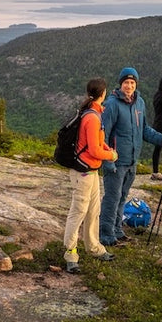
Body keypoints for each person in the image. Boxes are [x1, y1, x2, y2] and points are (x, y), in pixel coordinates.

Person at [99, 67, 162, 246]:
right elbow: (102, 135)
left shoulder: (139, 103)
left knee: (122, 196)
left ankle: (117, 230)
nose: (129, 86)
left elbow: (144, 131)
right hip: (116, 161)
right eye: (126, 82)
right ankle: (105, 235)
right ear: (120, 84)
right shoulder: (112, 104)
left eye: (132, 83)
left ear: (136, 84)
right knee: (112, 198)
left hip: (132, 161)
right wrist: (107, 161)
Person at [63, 77, 118, 274]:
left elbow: (96, 142)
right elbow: (94, 150)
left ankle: (94, 247)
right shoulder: (92, 117)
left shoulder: (93, 113)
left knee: (93, 211)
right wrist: (111, 154)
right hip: (84, 172)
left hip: (91, 171)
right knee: (78, 212)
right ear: (103, 94)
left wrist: (105, 147)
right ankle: (71, 255)